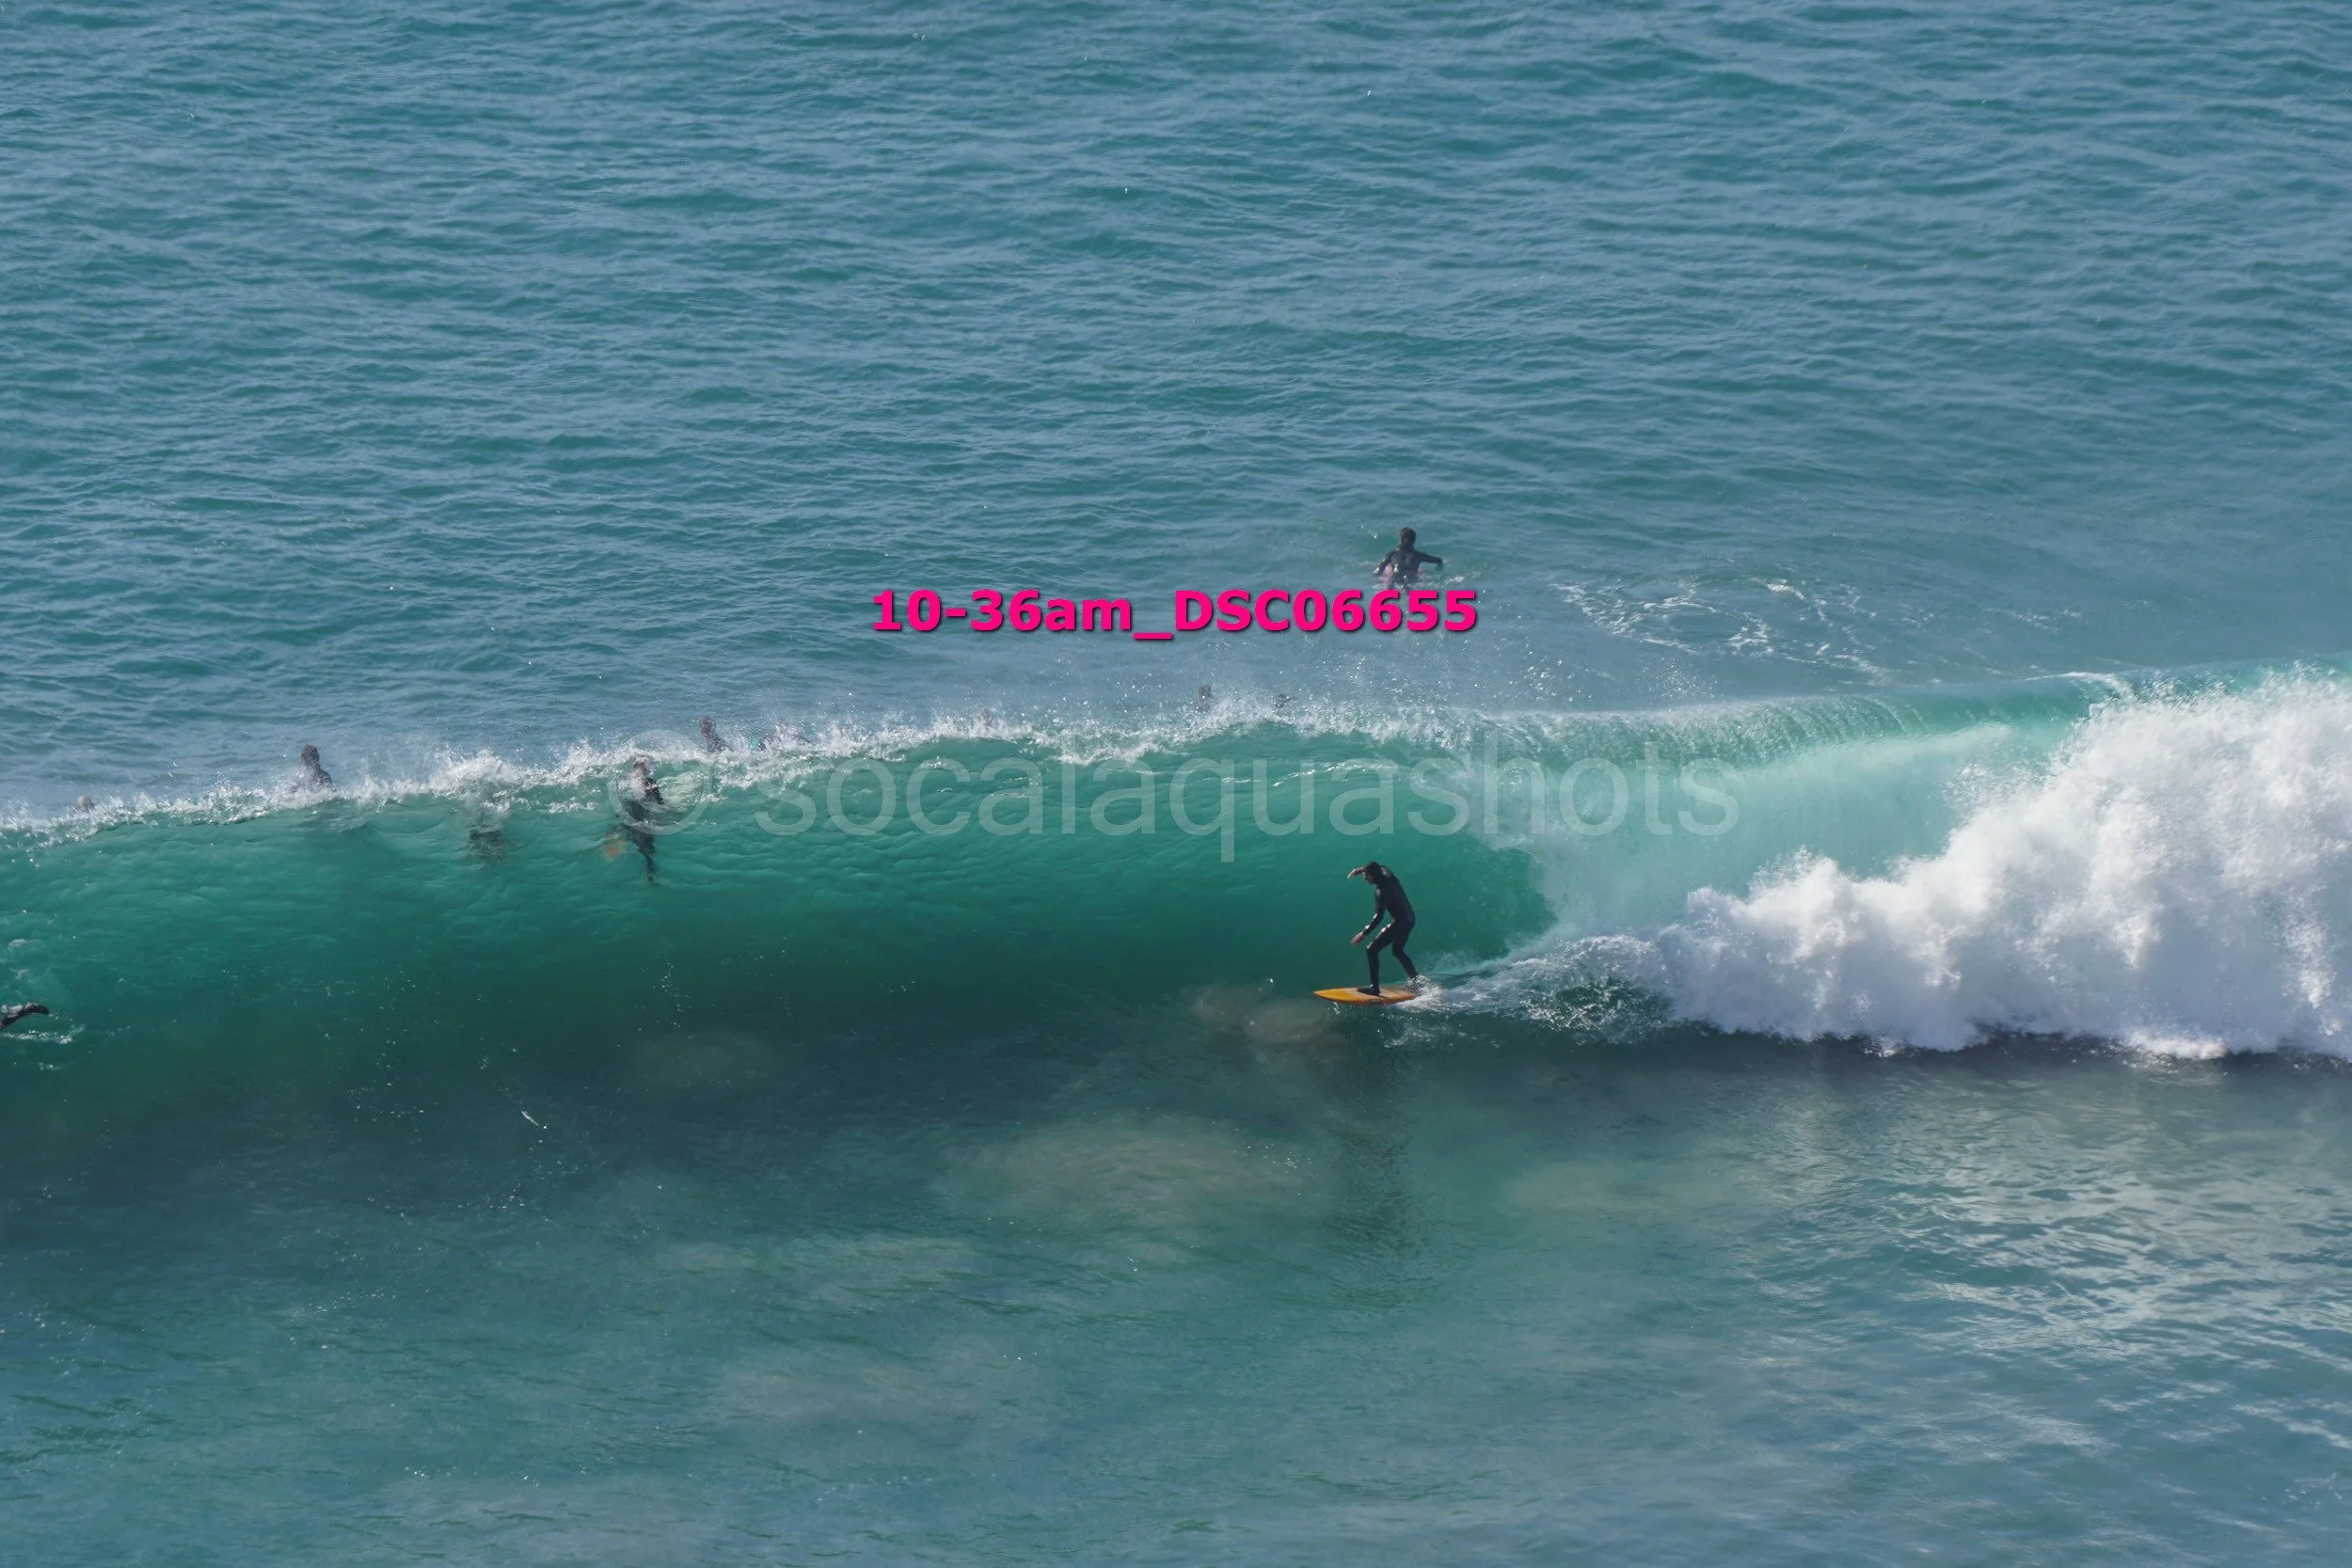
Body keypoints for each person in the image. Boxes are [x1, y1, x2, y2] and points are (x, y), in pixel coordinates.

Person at [1346, 861, 1421, 994]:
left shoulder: (1382, 891)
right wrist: (1362, 869)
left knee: (1371, 950)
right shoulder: (1387, 873)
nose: (1365, 878)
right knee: (1397, 951)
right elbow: (1379, 866)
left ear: (1373, 875)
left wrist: (1364, 933)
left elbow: (1379, 916)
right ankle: (1416, 981)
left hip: (1400, 923)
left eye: (1367, 875)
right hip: (1410, 918)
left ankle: (1375, 989)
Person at [1375, 528, 1443, 586]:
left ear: (1401, 539)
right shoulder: (1419, 555)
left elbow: (1378, 571)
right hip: (1412, 579)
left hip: (1395, 578)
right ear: (1413, 541)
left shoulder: (1391, 554)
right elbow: (1439, 561)